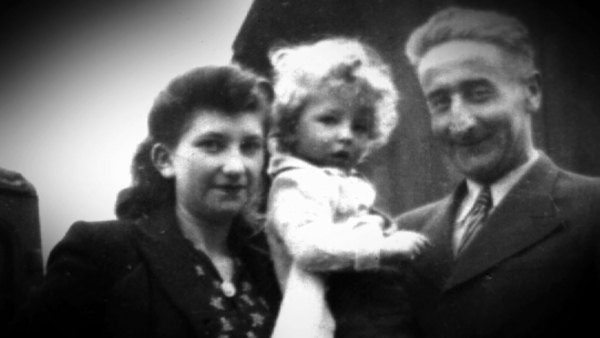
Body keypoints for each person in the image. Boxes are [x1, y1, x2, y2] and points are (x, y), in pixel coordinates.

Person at [10, 65, 281, 338]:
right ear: (164, 161)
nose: (236, 166)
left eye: (249, 146)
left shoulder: (273, 260)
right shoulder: (102, 253)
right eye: (212, 144)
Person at [394, 6, 600, 338]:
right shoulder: (406, 233)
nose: (461, 122)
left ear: (531, 92)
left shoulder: (594, 209)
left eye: (479, 94)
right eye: (440, 102)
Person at [265, 37, 429, 338]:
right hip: (337, 314)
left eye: (360, 126)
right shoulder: (296, 183)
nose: (346, 135)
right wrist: (379, 248)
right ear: (291, 124)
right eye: (328, 120)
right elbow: (308, 248)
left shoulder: (333, 179)